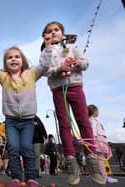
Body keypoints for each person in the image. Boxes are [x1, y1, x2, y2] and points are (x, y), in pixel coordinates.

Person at [39, 21, 105, 185]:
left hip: (75, 87)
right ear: (45, 35)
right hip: (58, 90)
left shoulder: (72, 46)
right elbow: (44, 70)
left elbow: (85, 63)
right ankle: (72, 164)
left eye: (56, 30)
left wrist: (78, 63)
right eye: (49, 31)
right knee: (64, 124)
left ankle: (92, 161)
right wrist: (57, 69)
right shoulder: (45, 51)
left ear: (62, 33)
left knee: (84, 122)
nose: (53, 32)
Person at [0, 40, 49, 187]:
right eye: (9, 57)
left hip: (28, 121)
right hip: (11, 121)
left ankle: (31, 178)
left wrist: (48, 48)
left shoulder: (32, 73)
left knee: (27, 148)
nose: (13, 59)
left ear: (23, 60)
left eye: (16, 56)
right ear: (6, 62)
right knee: (13, 148)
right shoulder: (4, 77)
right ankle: (15, 177)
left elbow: (45, 66)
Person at [88, 104, 118, 183]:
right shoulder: (93, 120)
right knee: (101, 159)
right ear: (94, 111)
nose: (98, 112)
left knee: (101, 159)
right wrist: (94, 141)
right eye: (97, 110)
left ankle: (103, 176)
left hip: (100, 140)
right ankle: (104, 177)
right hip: (98, 140)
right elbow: (93, 131)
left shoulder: (93, 120)